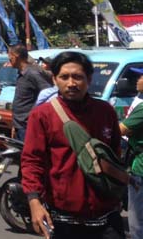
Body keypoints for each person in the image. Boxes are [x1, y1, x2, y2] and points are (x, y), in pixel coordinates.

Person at [22, 52, 125, 239]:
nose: (71, 83)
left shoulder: (105, 112)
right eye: (64, 77)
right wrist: (34, 201)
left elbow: (115, 154)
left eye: (78, 77)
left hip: (107, 218)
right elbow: (32, 161)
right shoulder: (42, 115)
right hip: (64, 221)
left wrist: (119, 192)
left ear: (89, 79)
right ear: (54, 79)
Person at [119, 67, 143, 239]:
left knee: (137, 223)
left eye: (141, 76)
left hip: (140, 168)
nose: (138, 79)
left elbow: (121, 129)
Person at [9, 44, 51, 141]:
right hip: (19, 125)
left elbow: (46, 93)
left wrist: (32, 114)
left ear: (16, 56)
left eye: (10, 58)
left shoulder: (31, 73)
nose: (9, 61)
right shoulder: (21, 73)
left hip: (28, 126)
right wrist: (15, 124)